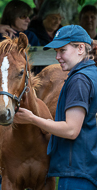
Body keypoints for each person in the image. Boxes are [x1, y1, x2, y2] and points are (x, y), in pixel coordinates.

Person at [14, 25, 97, 190]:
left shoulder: (79, 80)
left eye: (62, 50)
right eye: (56, 51)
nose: (57, 56)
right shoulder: (92, 72)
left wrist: (32, 119)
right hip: (88, 167)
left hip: (77, 173)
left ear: (81, 48)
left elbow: (71, 130)